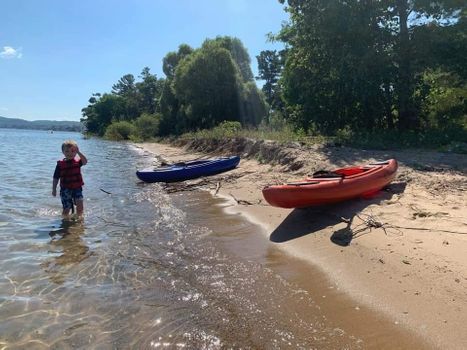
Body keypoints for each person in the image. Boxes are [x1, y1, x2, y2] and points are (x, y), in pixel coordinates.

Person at [52, 140, 88, 218]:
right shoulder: (60, 165)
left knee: (80, 206)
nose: (70, 153)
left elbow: (85, 161)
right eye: (67, 151)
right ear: (63, 152)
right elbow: (55, 178)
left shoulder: (77, 162)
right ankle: (65, 224)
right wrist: (54, 189)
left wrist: (79, 152)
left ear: (75, 152)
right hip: (65, 189)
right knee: (66, 209)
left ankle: (79, 222)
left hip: (77, 188)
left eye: (72, 151)